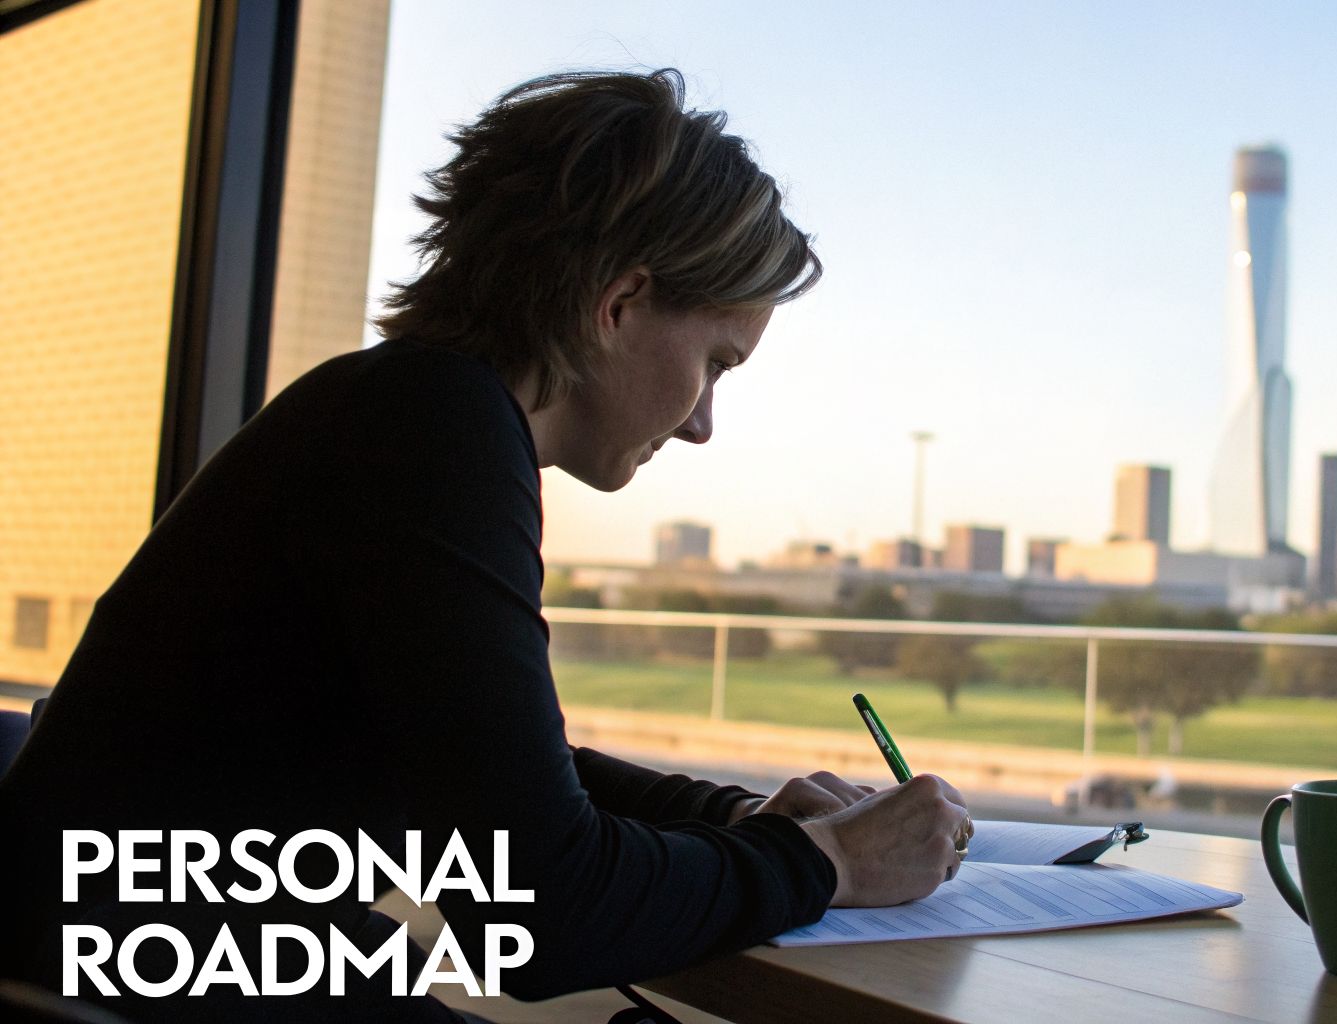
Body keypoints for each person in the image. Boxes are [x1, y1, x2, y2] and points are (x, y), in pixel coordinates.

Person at [0, 69, 971, 1022]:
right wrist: (830, 863)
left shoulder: (401, 408)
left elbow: (492, 775)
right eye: (714, 363)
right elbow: (538, 904)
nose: (701, 424)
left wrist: (730, 819)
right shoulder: (432, 431)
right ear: (619, 302)